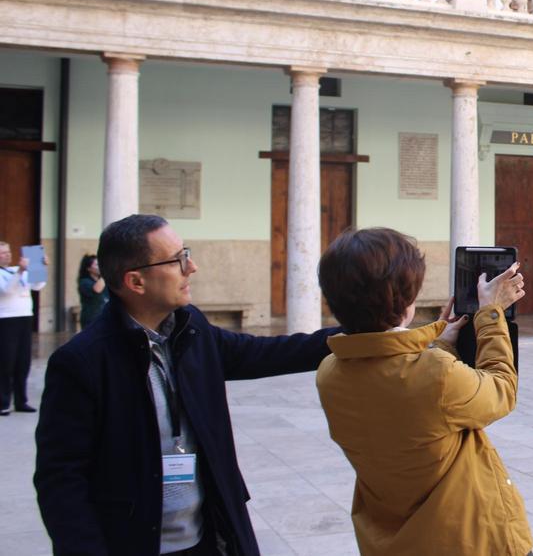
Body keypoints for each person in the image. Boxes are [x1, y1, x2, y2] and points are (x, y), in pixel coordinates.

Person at [35, 214, 338, 556]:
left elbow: (264, 353)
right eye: (178, 259)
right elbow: (61, 481)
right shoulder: (82, 362)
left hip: (210, 536)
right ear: (136, 282)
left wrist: (356, 336)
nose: (191, 266)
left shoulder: (191, 328)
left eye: (187, 253)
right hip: (135, 542)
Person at [314, 228, 533, 556]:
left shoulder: (329, 374)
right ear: (405, 299)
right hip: (471, 540)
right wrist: (491, 313)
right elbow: (501, 390)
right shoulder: (435, 375)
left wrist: (441, 343)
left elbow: (409, 396)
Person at [0, 240, 46, 416]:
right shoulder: (13, 272)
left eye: (8, 251)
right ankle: (3, 402)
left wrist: (39, 267)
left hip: (24, 317)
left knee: (23, 361)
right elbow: (7, 291)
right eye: (3, 253)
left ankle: (21, 400)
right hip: (5, 319)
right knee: (6, 362)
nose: (8, 255)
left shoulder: (15, 270)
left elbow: (37, 285)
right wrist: (20, 271)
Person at [77, 254, 109, 329]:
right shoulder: (84, 282)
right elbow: (97, 289)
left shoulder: (104, 282)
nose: (100, 267)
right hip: (91, 321)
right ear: (88, 268)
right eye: (97, 264)